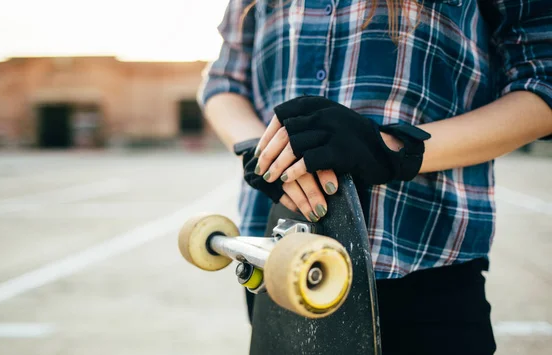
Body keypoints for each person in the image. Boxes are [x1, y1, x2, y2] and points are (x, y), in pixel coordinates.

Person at [198, 0, 552, 354]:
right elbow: (225, 81)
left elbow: (542, 82)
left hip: (422, 273)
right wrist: (260, 152)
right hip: (279, 269)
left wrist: (394, 150)